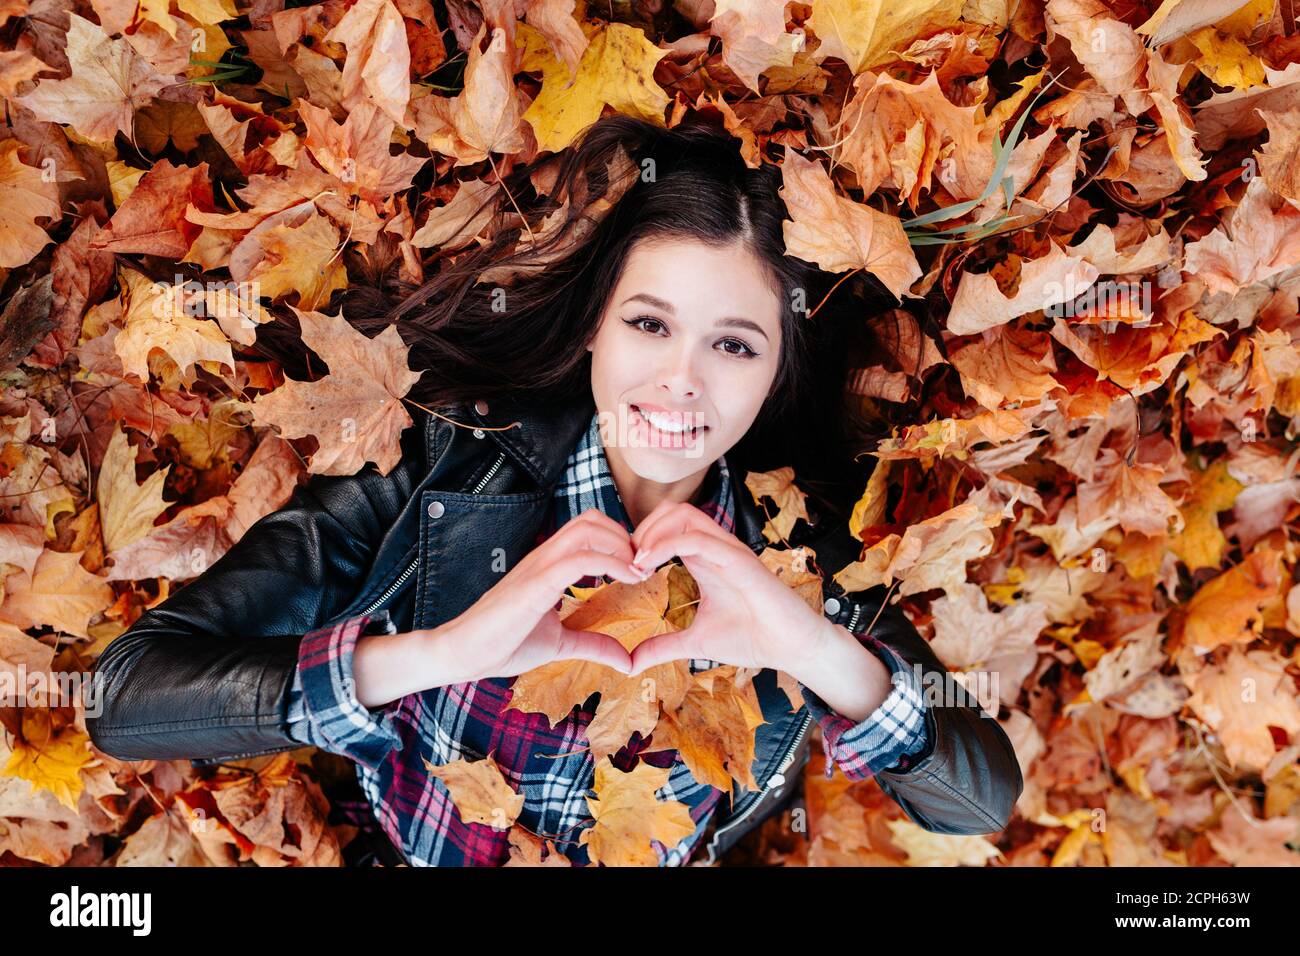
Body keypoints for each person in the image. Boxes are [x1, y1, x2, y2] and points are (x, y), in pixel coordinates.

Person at [86, 115, 1023, 866]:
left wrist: (819, 651)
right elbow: (125, 698)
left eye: (734, 343)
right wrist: (438, 653)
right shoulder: (441, 466)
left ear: (777, 371)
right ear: (593, 332)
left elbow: (982, 804)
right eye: (650, 325)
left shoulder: (800, 556)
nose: (682, 380)